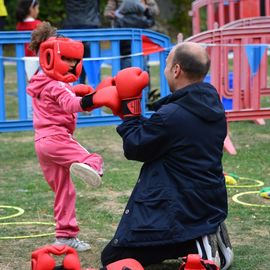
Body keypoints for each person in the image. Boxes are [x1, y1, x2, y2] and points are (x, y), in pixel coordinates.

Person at [100, 42, 234, 270]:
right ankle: (205, 232)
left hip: (178, 204)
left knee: (113, 258)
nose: (165, 70)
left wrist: (130, 115)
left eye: (167, 64)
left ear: (176, 70)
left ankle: (199, 242)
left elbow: (136, 147)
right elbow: (168, 134)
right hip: (202, 200)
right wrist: (131, 114)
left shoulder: (172, 114)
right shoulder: (211, 104)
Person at [27, 21, 121, 252]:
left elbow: (62, 95)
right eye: (67, 59)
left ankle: (65, 236)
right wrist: (96, 99)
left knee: (64, 191)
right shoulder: (56, 85)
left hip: (42, 143)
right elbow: (69, 104)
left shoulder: (41, 79)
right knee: (92, 159)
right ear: (49, 56)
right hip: (57, 139)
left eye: (73, 60)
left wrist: (80, 91)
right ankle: (91, 167)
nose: (71, 64)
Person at [104, 0, 159, 69]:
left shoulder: (119, 22)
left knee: (124, 73)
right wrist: (146, 10)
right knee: (143, 71)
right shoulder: (142, 21)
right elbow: (151, 21)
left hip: (124, 53)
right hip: (141, 51)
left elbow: (116, 36)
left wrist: (115, 15)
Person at [62, 0, 101, 84]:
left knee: (73, 59)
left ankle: (77, 85)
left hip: (71, 25)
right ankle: (94, 87)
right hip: (90, 25)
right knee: (92, 60)